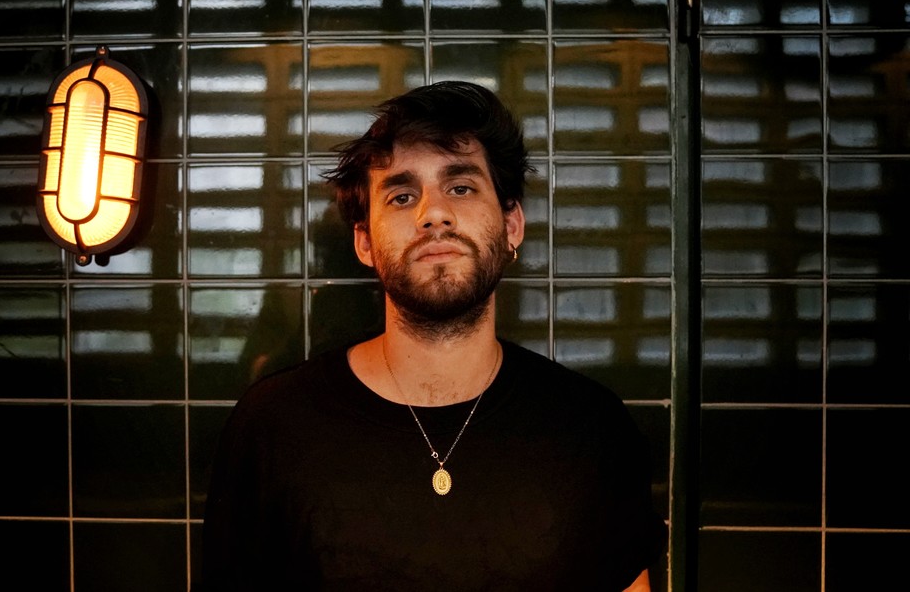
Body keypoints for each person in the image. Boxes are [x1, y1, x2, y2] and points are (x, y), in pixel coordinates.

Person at [201, 81, 666, 591]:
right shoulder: (273, 427)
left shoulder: (592, 429)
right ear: (364, 242)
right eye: (402, 196)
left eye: (460, 187)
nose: (433, 213)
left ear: (512, 224)